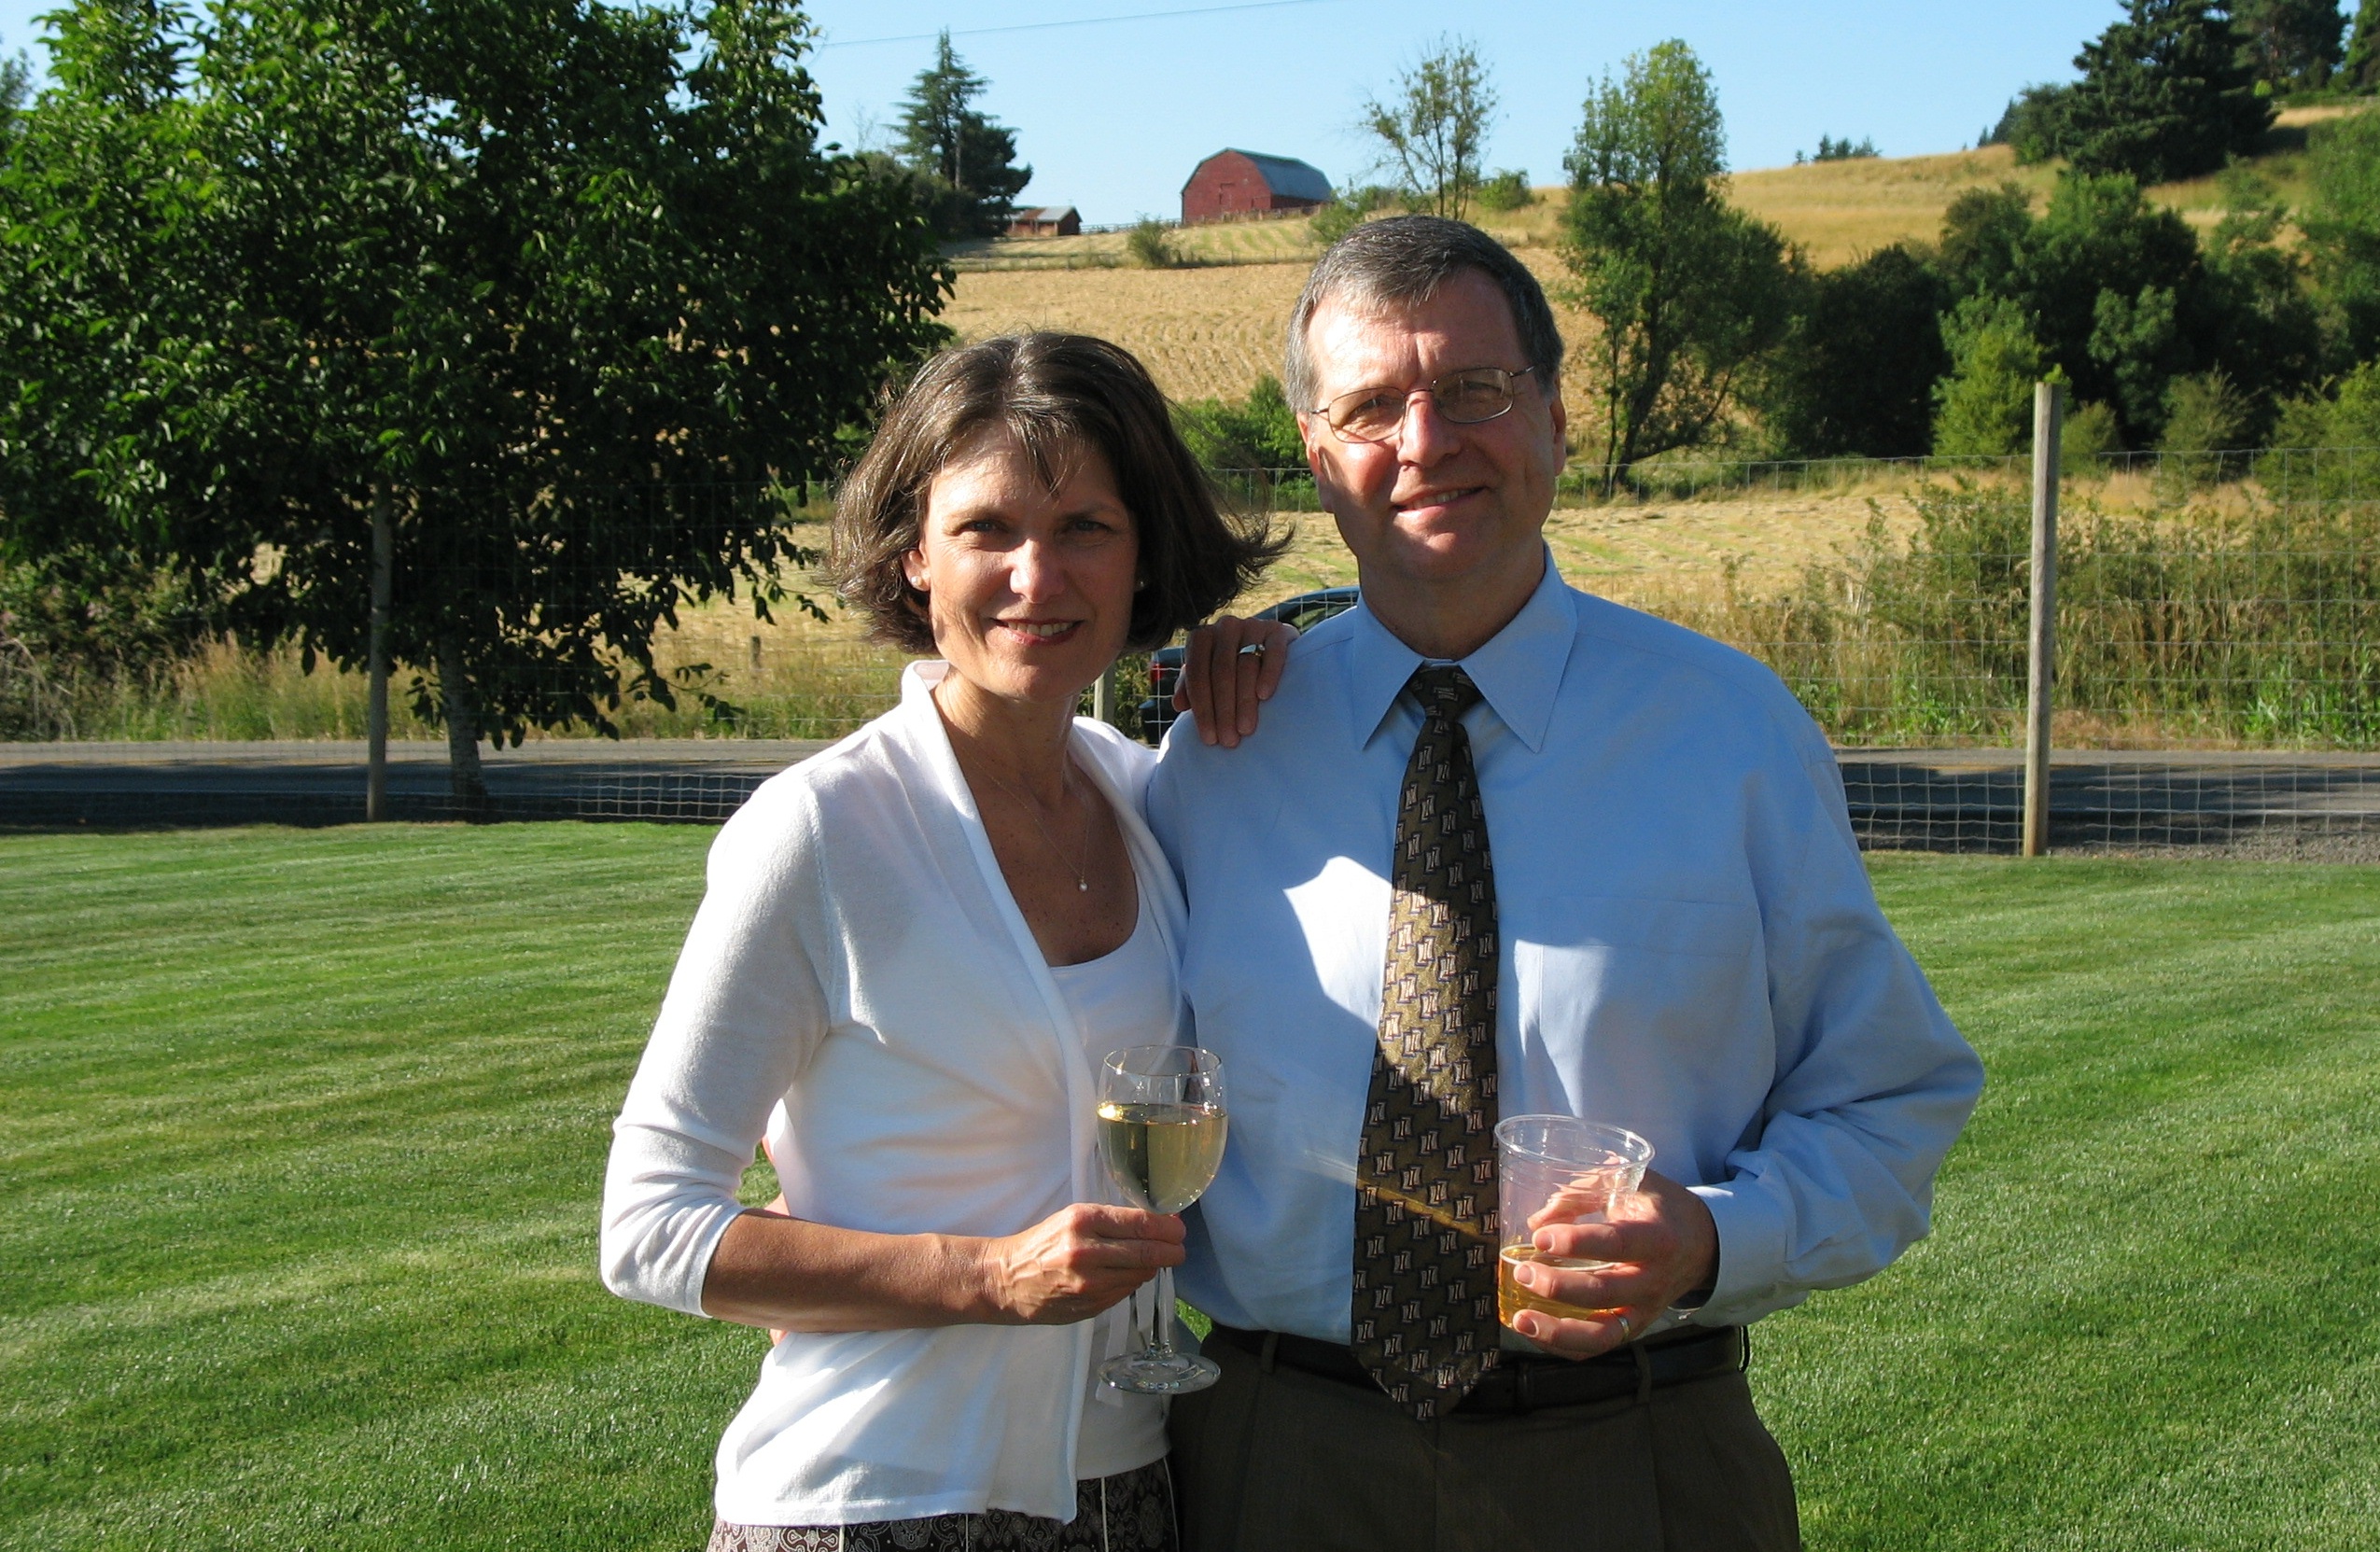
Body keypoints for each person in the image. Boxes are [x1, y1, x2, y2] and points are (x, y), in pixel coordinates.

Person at [1145, 216, 1986, 1552]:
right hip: (1276, 1459)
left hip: (1637, 1460)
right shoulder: (1217, 753)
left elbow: (1889, 1100)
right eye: (1370, 407)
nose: (1425, 442)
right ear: (1315, 454)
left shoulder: (1727, 734)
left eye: (1474, 389)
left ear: (1552, 413)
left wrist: (1713, 1240)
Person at [599, 331, 1288, 1551]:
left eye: (1085, 527)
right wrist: (985, 1278)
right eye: (986, 529)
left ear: (1144, 556)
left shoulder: (1149, 798)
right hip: (874, 1502)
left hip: (1128, 1488)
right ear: (915, 554)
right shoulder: (822, 832)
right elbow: (649, 1230)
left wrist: (1289, 657)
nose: (1037, 574)